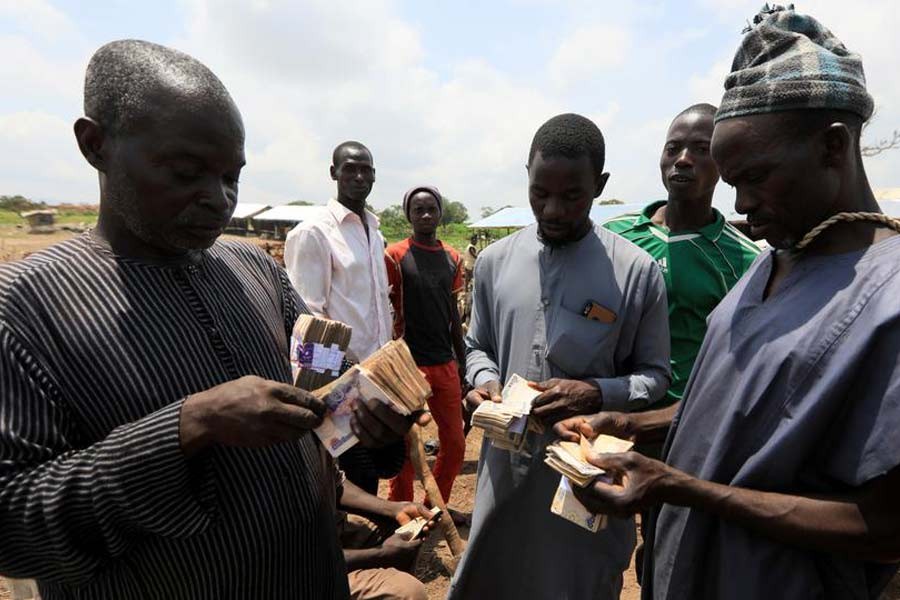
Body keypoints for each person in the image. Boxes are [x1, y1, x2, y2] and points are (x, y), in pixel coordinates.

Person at [0, 40, 412, 599]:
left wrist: (374, 427)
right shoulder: (23, 307)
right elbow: (13, 524)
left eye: (231, 177)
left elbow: (327, 415)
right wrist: (188, 425)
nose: (219, 199)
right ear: (95, 144)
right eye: (186, 172)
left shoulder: (254, 270)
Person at [556, 7, 900, 598]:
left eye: (755, 177)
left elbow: (886, 526)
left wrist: (683, 489)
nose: (740, 204)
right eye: (734, 181)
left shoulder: (887, 299)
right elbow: (735, 416)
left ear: (832, 147)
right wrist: (632, 424)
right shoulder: (775, 257)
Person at [448, 113, 671, 599]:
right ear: (526, 177)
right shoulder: (494, 262)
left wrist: (595, 392)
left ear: (599, 186)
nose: (552, 210)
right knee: (494, 578)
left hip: (585, 475)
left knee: (576, 584)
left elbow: (654, 376)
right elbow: (477, 346)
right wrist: (484, 381)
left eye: (572, 196)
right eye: (539, 193)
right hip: (505, 472)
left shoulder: (636, 271)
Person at [603, 103, 760, 423]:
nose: (683, 159)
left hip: (681, 426)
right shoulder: (613, 236)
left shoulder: (745, 260)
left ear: (724, 161)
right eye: (673, 148)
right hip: (599, 419)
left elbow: (742, 365)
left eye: (701, 149)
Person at [284, 142, 400, 494]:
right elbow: (307, 318)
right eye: (350, 168)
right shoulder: (314, 232)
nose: (359, 176)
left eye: (366, 170)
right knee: (343, 479)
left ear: (374, 176)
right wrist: (335, 385)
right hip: (339, 382)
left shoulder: (374, 232)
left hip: (377, 376)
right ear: (334, 173)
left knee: (372, 473)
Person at [385, 186, 466, 508]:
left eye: (431, 208)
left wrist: (462, 361)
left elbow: (453, 315)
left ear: (440, 212)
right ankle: (401, 509)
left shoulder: (453, 258)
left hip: (444, 362)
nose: (426, 215)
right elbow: (385, 308)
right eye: (418, 210)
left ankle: (434, 507)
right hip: (407, 364)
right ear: (408, 215)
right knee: (407, 447)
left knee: (455, 444)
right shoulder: (394, 256)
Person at [337, 472, 435, 600]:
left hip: (330, 531)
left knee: (400, 528)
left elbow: (336, 481)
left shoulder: (316, 459)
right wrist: (381, 553)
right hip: (314, 573)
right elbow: (315, 561)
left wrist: (395, 509)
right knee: (408, 592)